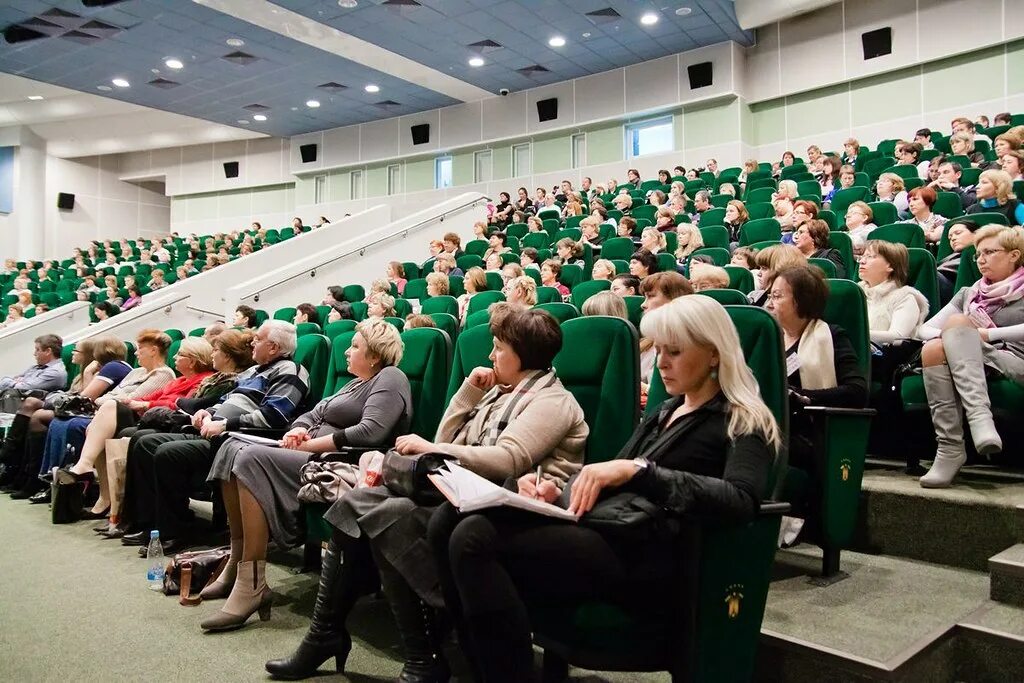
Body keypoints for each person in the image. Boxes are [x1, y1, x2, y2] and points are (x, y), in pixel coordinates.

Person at [427, 295, 781, 683]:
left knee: (474, 537)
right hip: (609, 529)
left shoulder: (743, 419)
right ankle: (478, 667)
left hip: (653, 550)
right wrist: (554, 492)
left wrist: (644, 471)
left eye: (675, 352)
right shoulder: (665, 412)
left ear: (715, 355)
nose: (661, 362)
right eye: (659, 350)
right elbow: (609, 478)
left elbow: (742, 500)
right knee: (449, 518)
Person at [266, 304, 588, 681]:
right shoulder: (500, 392)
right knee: (356, 501)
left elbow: (507, 459)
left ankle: (422, 657)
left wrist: (431, 450)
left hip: (514, 513)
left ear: (522, 354)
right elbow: (444, 440)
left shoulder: (552, 401)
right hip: (463, 495)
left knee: (390, 514)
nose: (490, 355)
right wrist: (468, 392)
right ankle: (325, 634)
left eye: (498, 348)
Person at [200, 320, 412, 631]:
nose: (347, 352)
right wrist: (299, 428)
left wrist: (309, 443)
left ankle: (252, 585)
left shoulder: (390, 378)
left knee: (249, 457)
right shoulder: (353, 384)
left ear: (375, 356)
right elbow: (311, 414)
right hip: (309, 453)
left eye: (355, 347)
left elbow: (371, 431)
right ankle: (237, 561)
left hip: (339, 462)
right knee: (231, 446)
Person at [119, 321, 309, 553]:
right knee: (145, 442)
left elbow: (275, 416)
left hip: (239, 438)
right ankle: (150, 524)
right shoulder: (253, 371)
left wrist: (224, 423)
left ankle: (177, 531)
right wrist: (206, 413)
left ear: (273, 347)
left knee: (168, 453)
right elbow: (225, 400)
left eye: (258, 339)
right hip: (215, 431)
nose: (252, 342)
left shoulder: (290, 370)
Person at [64, 338, 237, 521]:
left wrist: (147, 403)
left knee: (112, 417)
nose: (175, 357)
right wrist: (144, 402)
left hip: (164, 421)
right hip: (152, 418)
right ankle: (108, 500)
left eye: (180, 355)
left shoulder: (196, 380)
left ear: (192, 360)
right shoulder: (177, 381)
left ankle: (94, 479)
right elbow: (148, 398)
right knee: (98, 427)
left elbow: (179, 405)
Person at [764, 265, 868, 543]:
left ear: (802, 300)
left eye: (777, 296)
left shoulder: (831, 335)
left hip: (809, 431)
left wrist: (803, 396)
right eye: (770, 295)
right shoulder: (768, 339)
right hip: (769, 425)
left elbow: (857, 390)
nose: (769, 303)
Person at [915, 226, 1024, 488]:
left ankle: (970, 427)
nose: (981, 259)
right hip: (975, 360)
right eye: (977, 254)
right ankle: (952, 446)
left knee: (955, 326)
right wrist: (960, 333)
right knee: (934, 346)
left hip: (1016, 360)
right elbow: (924, 329)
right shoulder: (969, 292)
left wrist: (984, 334)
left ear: (1014, 254)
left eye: (989, 252)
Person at [858, 241, 929, 343]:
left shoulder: (905, 297)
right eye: (862, 257)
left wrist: (855, 333)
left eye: (870, 256)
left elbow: (898, 337)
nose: (862, 261)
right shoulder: (856, 294)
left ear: (890, 266)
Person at [0, 334, 67, 393]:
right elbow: (8, 379)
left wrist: (19, 382)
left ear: (48, 351)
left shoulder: (55, 372)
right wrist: (17, 382)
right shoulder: (36, 367)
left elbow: (22, 388)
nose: (34, 354)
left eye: (37, 350)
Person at [937, 220, 982, 303]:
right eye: (950, 238)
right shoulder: (948, 258)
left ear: (976, 233)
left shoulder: (981, 254)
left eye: (958, 233)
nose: (953, 238)